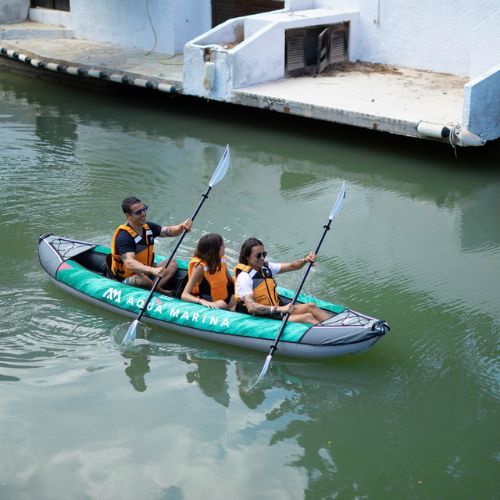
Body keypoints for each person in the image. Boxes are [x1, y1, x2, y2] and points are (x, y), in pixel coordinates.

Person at [234, 237, 332, 324]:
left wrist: (305, 260)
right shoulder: (244, 277)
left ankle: (336, 325)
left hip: (276, 309)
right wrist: (279, 309)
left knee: (311, 306)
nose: (262, 258)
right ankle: (332, 335)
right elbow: (251, 307)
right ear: (247, 257)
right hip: (263, 316)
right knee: (307, 317)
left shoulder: (266, 267)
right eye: (258, 255)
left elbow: (292, 266)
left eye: (264, 254)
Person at [110, 196, 192, 294]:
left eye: (144, 209)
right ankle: (160, 291)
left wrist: (182, 226)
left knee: (171, 264)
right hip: (127, 279)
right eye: (138, 212)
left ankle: (153, 289)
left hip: (147, 273)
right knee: (141, 278)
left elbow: (169, 231)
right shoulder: (124, 237)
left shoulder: (148, 227)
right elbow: (129, 263)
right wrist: (152, 269)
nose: (143, 214)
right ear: (128, 215)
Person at [181, 233, 235, 310]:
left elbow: (231, 281)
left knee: (235, 299)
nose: (225, 247)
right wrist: (202, 301)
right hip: (208, 300)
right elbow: (184, 295)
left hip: (223, 296)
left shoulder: (221, 260)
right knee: (222, 304)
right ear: (215, 249)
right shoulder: (199, 267)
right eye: (222, 245)